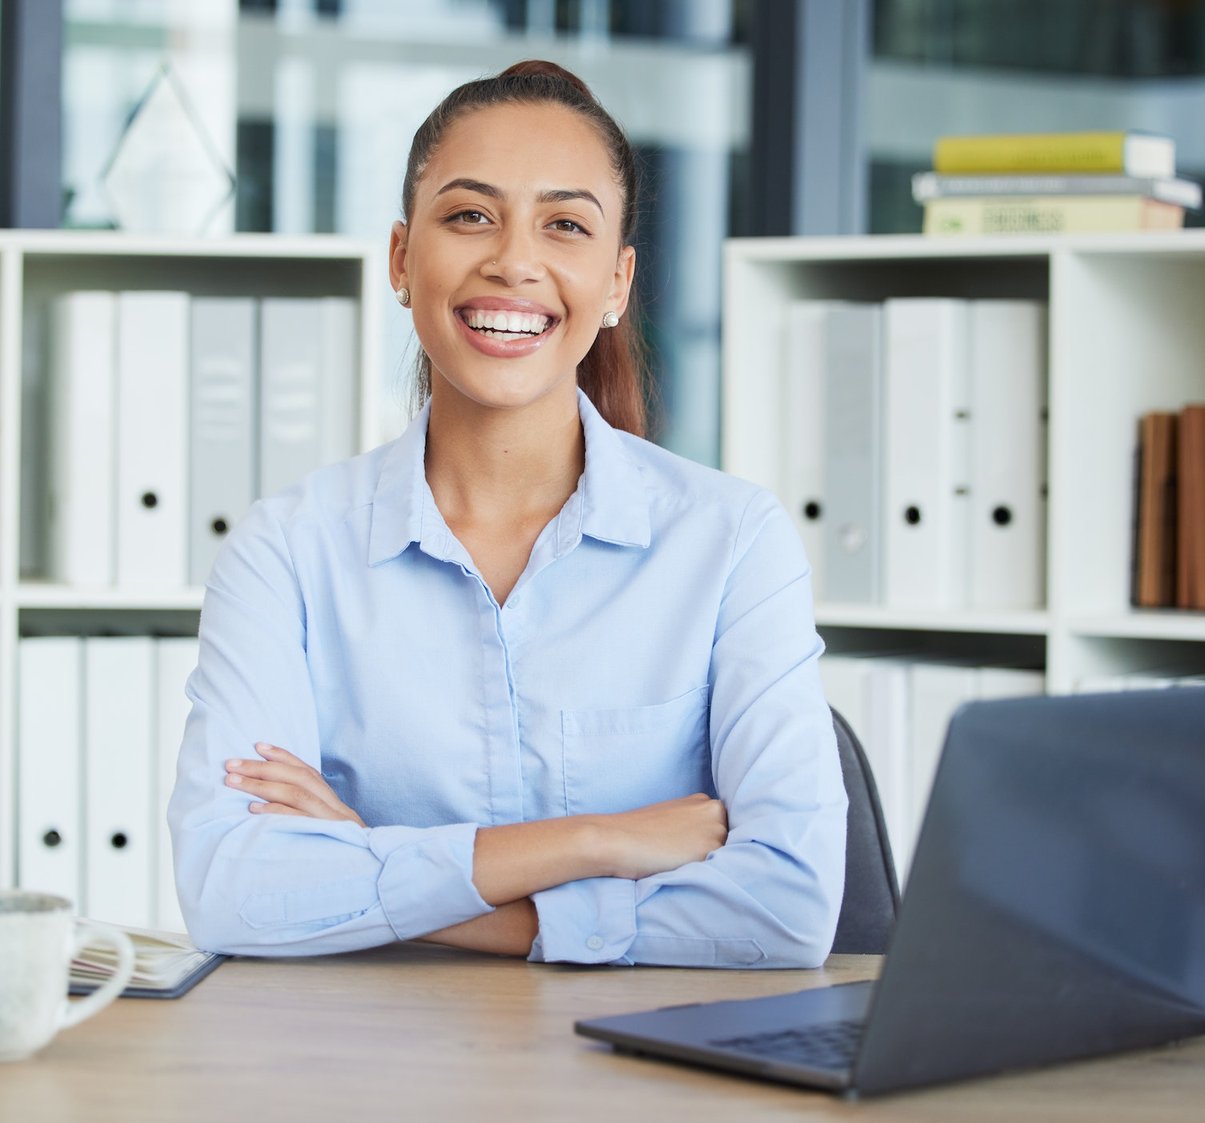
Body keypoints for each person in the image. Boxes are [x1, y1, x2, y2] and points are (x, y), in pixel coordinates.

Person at [168, 59, 847, 966]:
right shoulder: (286, 550)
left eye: (565, 225)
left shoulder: (731, 543)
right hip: (368, 1045)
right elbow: (232, 889)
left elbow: (788, 908)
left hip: (638, 1054)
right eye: (469, 216)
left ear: (617, 283)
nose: (514, 261)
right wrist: (597, 840)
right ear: (402, 260)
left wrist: (370, 860)